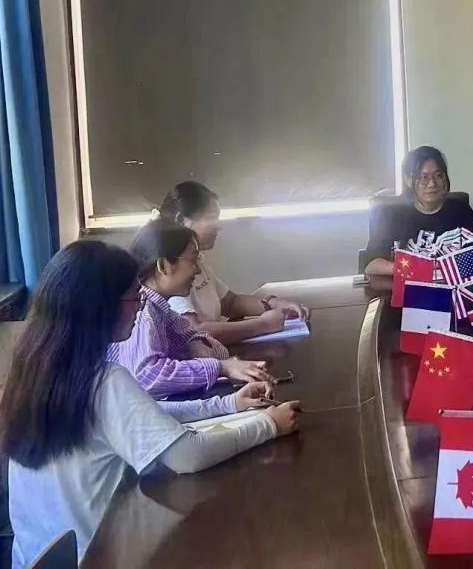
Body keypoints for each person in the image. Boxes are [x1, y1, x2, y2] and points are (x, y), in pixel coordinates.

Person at [1, 241, 301, 566]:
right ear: (103, 306)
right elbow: (188, 456)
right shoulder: (103, 380)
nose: (140, 307)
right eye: (135, 298)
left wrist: (228, 404)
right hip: (98, 557)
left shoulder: (33, 371)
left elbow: (143, 416)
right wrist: (269, 424)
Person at [109, 220, 273, 397]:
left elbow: (202, 338)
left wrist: (197, 346)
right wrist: (221, 367)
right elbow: (149, 376)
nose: (197, 270)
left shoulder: (163, 309)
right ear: (164, 266)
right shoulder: (142, 314)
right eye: (193, 260)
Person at [159, 181, 308, 344]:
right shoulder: (170, 270)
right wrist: (263, 324)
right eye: (211, 217)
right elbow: (196, 330)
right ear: (181, 221)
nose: (219, 226)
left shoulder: (197, 261)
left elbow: (229, 302)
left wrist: (275, 303)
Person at [361, 146, 473, 276]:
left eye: (438, 175)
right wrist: (414, 269)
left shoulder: (461, 211)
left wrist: (436, 272)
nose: (432, 184)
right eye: (424, 177)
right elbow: (371, 265)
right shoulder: (391, 215)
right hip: (406, 286)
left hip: (451, 286)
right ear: (409, 179)